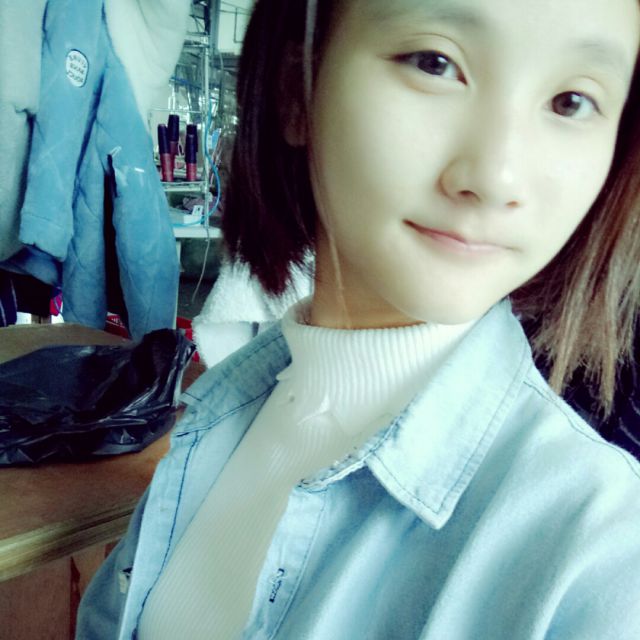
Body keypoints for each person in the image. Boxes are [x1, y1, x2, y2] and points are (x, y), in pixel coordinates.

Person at [77, 0, 640, 638]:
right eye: (435, 63)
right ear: (296, 90)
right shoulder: (218, 416)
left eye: (572, 102)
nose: (497, 177)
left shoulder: (602, 565)